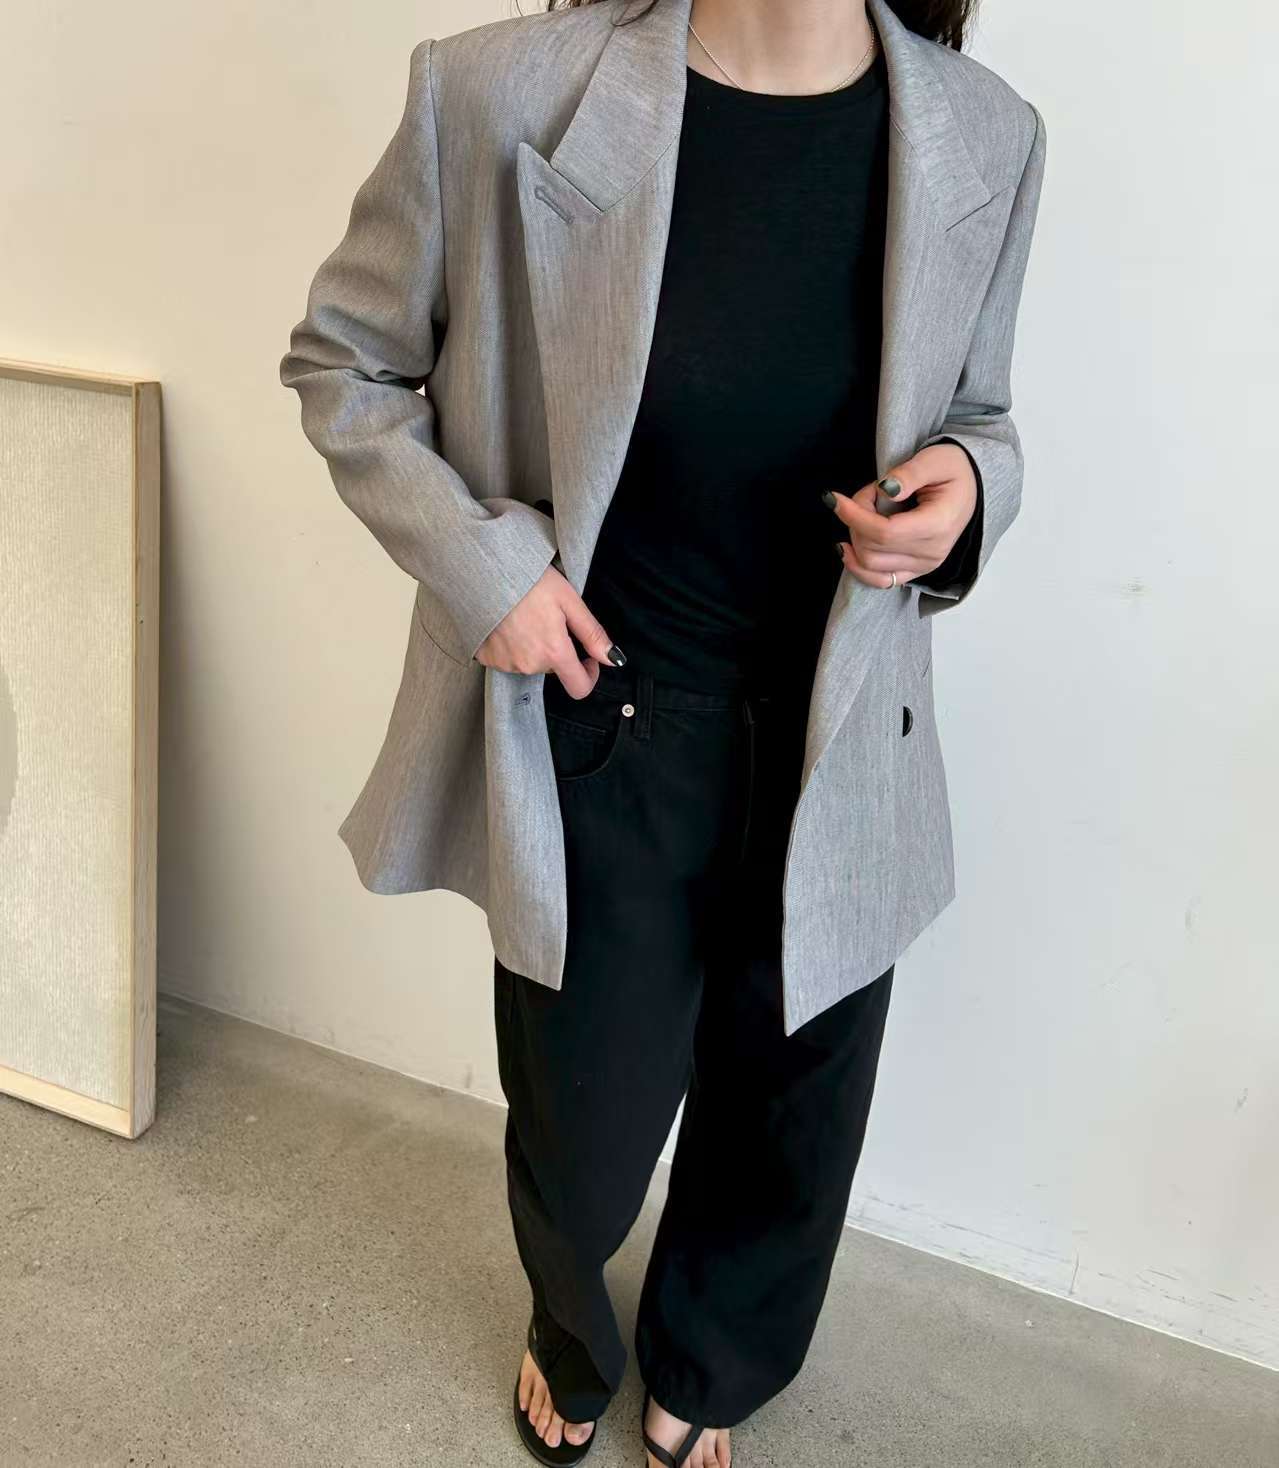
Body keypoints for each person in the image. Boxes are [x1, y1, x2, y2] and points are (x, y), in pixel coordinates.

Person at [279, 0, 1047, 1462]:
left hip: (842, 726)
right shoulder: (498, 93)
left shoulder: (987, 134)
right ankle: (572, 1326)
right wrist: (487, 571)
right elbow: (345, 365)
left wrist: (966, 484)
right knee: (582, 1130)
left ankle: (710, 1361)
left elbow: (984, 412)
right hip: (603, 713)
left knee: (790, 1112)